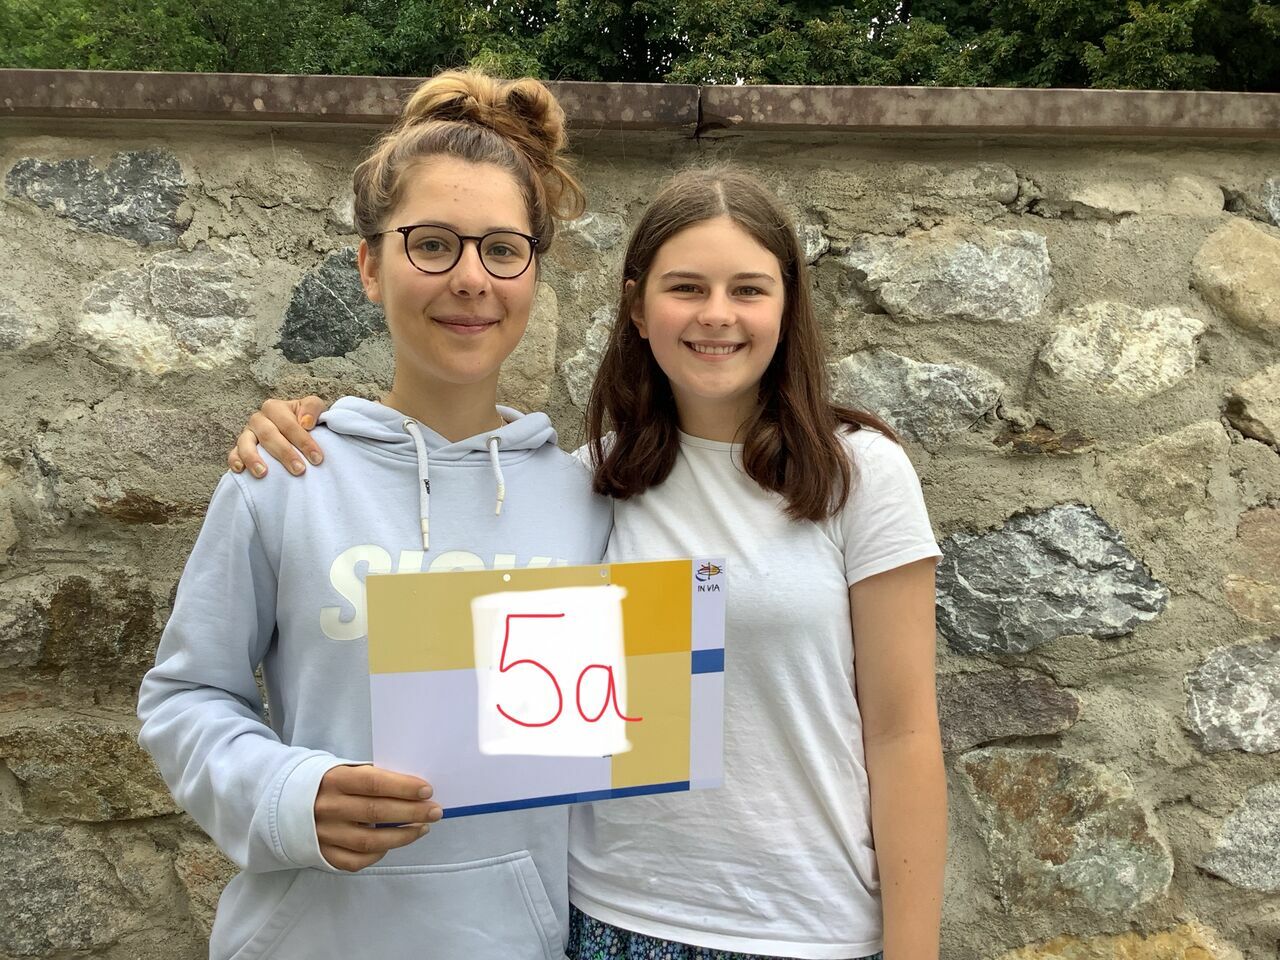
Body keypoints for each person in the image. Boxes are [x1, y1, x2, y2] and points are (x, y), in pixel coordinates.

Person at [230, 167, 947, 960]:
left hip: (808, 928)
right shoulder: (592, 482)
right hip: (609, 918)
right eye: (686, 287)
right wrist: (312, 429)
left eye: (748, 289)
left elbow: (903, 732)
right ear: (638, 309)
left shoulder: (859, 474)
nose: (716, 314)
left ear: (786, 305)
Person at [138, 69, 611, 960]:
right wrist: (287, 794)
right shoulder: (283, 475)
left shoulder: (593, 503)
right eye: (431, 244)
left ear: (533, 274)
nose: (469, 279)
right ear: (369, 266)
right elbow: (186, 696)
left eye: (502, 249)